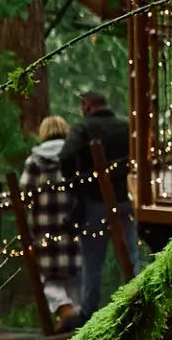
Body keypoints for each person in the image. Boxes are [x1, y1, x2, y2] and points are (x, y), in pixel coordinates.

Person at [66, 88, 132, 307]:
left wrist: (76, 183)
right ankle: (135, 304)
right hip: (124, 198)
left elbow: (65, 156)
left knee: (93, 261)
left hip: (94, 202)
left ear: (87, 106)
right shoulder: (125, 126)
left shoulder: (83, 129)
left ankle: (89, 312)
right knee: (131, 255)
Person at [16, 114, 75, 320]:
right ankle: (76, 319)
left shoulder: (35, 162)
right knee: (74, 279)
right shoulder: (76, 157)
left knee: (48, 279)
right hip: (74, 226)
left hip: (45, 230)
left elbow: (22, 197)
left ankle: (64, 309)